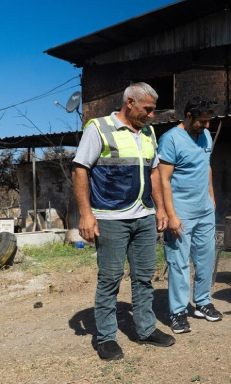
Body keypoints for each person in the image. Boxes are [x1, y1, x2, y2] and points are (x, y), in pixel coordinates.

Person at [72, 82, 176, 362]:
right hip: (110, 218)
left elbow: (154, 173)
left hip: (143, 216)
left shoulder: (148, 132)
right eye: (148, 109)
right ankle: (106, 338)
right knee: (110, 279)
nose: (152, 115)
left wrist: (161, 210)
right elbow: (80, 169)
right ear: (129, 102)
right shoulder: (99, 128)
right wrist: (85, 214)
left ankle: (146, 329)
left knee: (144, 278)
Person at [158, 97, 222, 334]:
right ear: (188, 117)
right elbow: (163, 179)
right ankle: (177, 311)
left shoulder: (205, 135)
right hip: (180, 211)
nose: (206, 126)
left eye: (208, 122)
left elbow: (207, 166)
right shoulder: (171, 139)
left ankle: (202, 303)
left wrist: (212, 197)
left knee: (206, 258)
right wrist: (170, 215)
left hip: (204, 209)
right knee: (179, 262)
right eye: (202, 121)